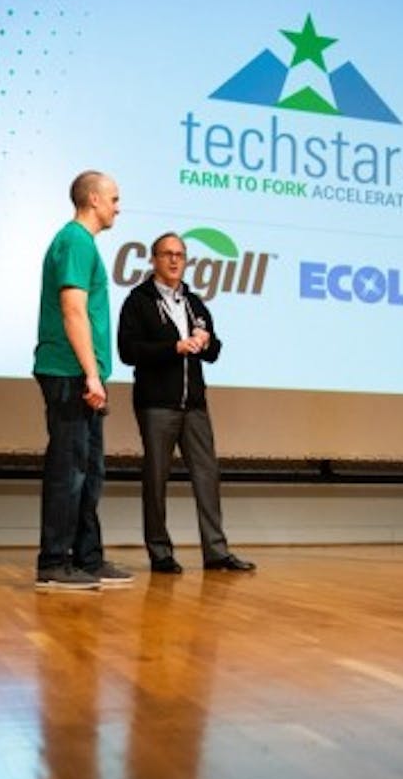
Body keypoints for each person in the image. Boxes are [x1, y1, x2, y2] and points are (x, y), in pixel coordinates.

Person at [117, 231, 255, 574]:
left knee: (207, 476)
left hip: (194, 406)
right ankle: (160, 553)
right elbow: (128, 351)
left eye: (180, 254)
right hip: (156, 405)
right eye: (167, 254)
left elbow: (215, 353)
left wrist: (206, 343)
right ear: (154, 260)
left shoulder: (195, 303)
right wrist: (173, 348)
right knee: (156, 479)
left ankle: (216, 552)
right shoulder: (138, 301)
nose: (175, 260)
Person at [32, 170, 134, 591]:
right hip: (69, 372)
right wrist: (91, 374)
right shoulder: (74, 240)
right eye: (113, 198)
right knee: (69, 470)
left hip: (83, 374)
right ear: (92, 199)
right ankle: (54, 562)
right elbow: (73, 310)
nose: (118, 206)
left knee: (90, 472)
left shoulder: (83, 243)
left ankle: (87, 558)